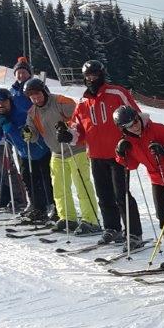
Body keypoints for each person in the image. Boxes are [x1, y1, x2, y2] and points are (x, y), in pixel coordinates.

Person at [60, 60, 143, 245]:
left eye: (94, 75)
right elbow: (78, 129)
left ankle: (134, 233)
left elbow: (136, 117)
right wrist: (68, 135)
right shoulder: (83, 102)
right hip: (96, 155)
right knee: (104, 195)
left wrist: (129, 140)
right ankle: (112, 228)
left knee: (121, 194)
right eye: (88, 76)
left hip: (118, 154)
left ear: (102, 75)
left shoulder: (117, 93)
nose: (91, 79)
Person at [114, 105, 164, 267]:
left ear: (138, 118)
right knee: (163, 216)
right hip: (157, 179)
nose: (134, 127)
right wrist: (121, 153)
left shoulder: (157, 129)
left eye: (135, 122)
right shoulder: (129, 140)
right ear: (123, 128)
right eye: (129, 126)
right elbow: (131, 165)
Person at [23, 77, 99, 234]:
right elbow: (34, 135)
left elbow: (80, 117)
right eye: (31, 96)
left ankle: (91, 220)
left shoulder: (60, 101)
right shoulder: (32, 113)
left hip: (75, 149)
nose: (35, 98)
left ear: (44, 91)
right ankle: (67, 218)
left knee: (82, 185)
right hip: (56, 153)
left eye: (37, 94)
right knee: (59, 188)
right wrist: (28, 134)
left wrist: (67, 127)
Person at [9, 56, 53, 218]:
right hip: (20, 137)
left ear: (29, 74)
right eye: (18, 73)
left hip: (38, 134)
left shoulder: (36, 87)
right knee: (27, 174)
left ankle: (50, 203)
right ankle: (35, 203)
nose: (21, 75)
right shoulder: (12, 91)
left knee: (44, 173)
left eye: (24, 72)